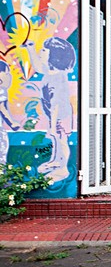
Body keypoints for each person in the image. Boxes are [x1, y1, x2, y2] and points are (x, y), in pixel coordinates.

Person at [23, 37, 76, 182]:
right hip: (54, 113)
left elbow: (57, 105)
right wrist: (31, 48)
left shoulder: (58, 79)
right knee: (56, 140)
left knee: (61, 140)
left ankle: (63, 168)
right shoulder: (49, 71)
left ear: (54, 56)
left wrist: (52, 126)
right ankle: (55, 161)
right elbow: (38, 66)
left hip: (60, 115)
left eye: (44, 50)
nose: (42, 51)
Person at [0, 61, 21, 164]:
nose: (10, 76)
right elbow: (2, 108)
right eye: (7, 73)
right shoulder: (1, 91)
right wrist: (12, 123)